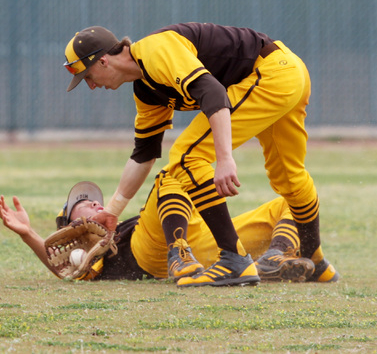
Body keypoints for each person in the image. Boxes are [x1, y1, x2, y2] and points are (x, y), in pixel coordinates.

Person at [61, 23, 339, 287]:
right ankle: (315, 258)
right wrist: (112, 212)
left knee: (185, 157)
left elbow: (213, 92)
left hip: (271, 73)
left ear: (102, 61)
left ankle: (234, 259)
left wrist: (225, 158)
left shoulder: (153, 51)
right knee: (288, 176)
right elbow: (143, 154)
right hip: (290, 72)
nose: (91, 86)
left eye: (86, 77)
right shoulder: (146, 90)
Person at [0, 177, 316, 283]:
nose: (95, 203)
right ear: (68, 226)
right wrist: (29, 234)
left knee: (288, 202)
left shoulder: (119, 220)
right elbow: (64, 266)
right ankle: (179, 256)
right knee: (169, 178)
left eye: (96, 200)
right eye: (82, 203)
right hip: (147, 251)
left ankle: (276, 256)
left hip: (203, 242)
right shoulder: (90, 253)